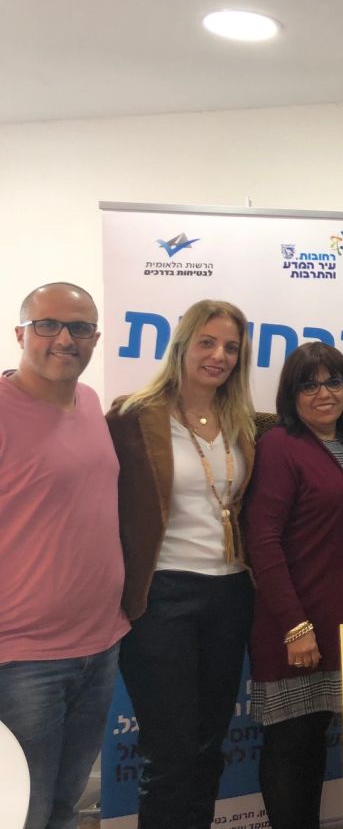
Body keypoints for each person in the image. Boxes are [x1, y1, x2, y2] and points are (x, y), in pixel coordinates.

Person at [107, 299, 258, 829]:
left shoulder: (243, 422)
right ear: (182, 346)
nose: (219, 356)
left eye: (231, 348)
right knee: (169, 752)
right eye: (207, 342)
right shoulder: (132, 416)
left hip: (230, 594)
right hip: (162, 596)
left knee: (209, 746)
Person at [0, 283, 129, 829]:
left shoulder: (92, 402)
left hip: (100, 644)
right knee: (22, 812)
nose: (64, 339)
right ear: (20, 333)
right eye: (48, 324)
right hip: (22, 655)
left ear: (95, 338)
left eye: (79, 328)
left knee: (63, 805)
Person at [243, 342, 343, 828]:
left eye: (334, 382)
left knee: (314, 739)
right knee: (289, 742)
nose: (324, 393)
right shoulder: (281, 446)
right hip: (298, 624)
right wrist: (295, 625)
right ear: (291, 394)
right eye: (309, 385)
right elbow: (262, 541)